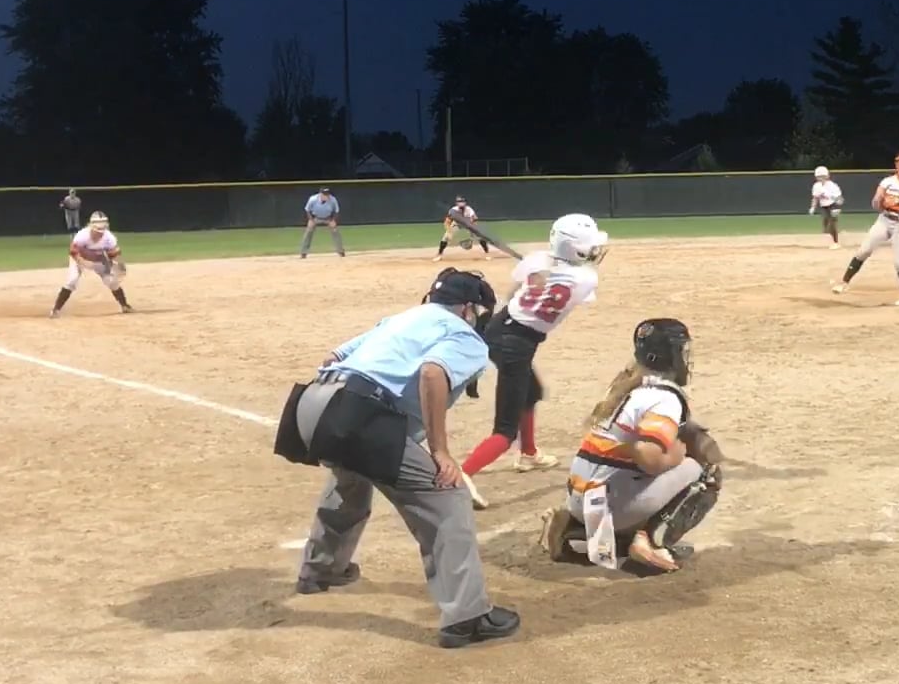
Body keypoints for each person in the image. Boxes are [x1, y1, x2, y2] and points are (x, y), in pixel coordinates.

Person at [275, 268, 521, 649]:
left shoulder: (404, 318)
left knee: (351, 476)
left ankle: (321, 570)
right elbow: (433, 374)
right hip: (356, 415)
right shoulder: (465, 335)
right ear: (468, 309)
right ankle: (467, 617)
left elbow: (333, 356)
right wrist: (440, 451)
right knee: (447, 495)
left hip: (311, 405)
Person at [540, 318, 723, 574]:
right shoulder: (665, 398)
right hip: (610, 505)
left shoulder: (627, 386)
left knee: (633, 474)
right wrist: (676, 456)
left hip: (580, 500)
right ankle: (650, 541)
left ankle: (572, 525)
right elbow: (649, 458)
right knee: (707, 472)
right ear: (671, 355)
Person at [457, 213, 609, 509]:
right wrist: (545, 271)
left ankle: (528, 453)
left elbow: (519, 291)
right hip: (515, 345)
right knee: (504, 432)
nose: (594, 251)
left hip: (503, 329)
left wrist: (537, 268)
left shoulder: (538, 260)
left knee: (532, 392)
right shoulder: (587, 278)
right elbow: (561, 288)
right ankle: (461, 475)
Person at [832, 150, 899, 306]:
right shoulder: (887, 182)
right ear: (896, 164)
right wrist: (880, 200)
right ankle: (844, 283)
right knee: (864, 251)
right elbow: (876, 203)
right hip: (884, 220)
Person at [50, 210, 132, 317]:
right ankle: (56, 310)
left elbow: (115, 252)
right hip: (80, 259)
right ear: (91, 227)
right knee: (72, 281)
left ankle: (125, 306)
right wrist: (82, 261)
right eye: (97, 230)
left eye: (102, 231)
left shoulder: (109, 237)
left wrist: (117, 262)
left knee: (112, 282)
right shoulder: (82, 235)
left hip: (99, 261)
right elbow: (73, 251)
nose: (100, 233)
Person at [300, 188, 345, 258]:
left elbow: (336, 211)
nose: (326, 196)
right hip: (315, 217)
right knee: (309, 231)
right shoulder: (313, 199)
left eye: (327, 194)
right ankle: (303, 252)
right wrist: (311, 220)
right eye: (324, 194)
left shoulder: (333, 199)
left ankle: (341, 251)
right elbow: (307, 210)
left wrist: (333, 220)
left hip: (328, 218)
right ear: (320, 194)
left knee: (335, 230)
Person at [809, 165, 844, 249]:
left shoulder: (833, 186)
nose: (821, 178)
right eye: (818, 177)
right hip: (824, 207)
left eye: (822, 176)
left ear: (827, 176)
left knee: (832, 223)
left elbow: (840, 199)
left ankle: (836, 243)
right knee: (825, 225)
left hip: (833, 206)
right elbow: (815, 198)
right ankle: (835, 233)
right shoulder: (816, 186)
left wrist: (836, 203)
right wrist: (812, 207)